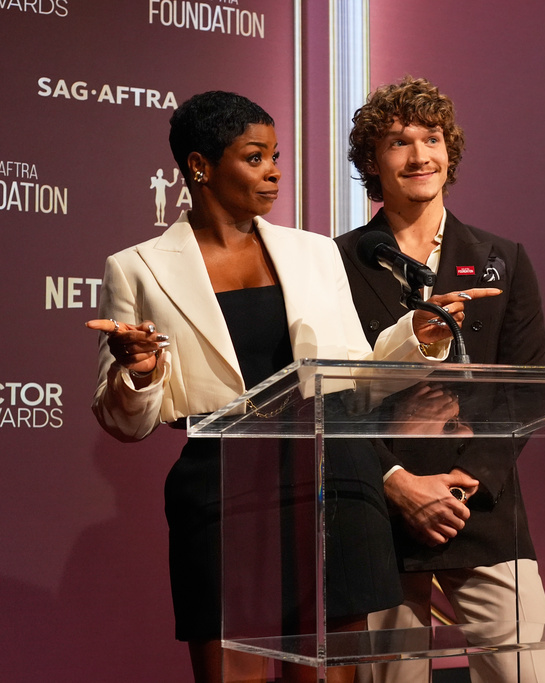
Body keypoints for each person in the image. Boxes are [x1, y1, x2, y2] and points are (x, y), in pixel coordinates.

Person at [86, 90, 497, 683]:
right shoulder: (137, 267)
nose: (275, 171)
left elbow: (359, 373)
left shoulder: (313, 253)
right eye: (255, 157)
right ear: (201, 166)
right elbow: (123, 420)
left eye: (276, 155)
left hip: (333, 479)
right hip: (223, 487)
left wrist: (420, 330)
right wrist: (141, 371)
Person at [336, 77, 545, 683]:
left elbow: (525, 392)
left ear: (449, 151)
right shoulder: (335, 263)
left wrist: (463, 487)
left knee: (527, 674)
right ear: (371, 163)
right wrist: (399, 484)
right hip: (383, 509)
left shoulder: (502, 257)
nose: (418, 156)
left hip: (480, 508)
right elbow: (331, 397)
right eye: (398, 143)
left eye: (431, 138)